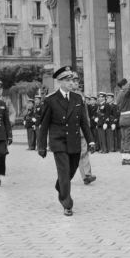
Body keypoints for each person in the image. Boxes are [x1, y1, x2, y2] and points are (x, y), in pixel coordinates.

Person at [37, 66, 95, 216]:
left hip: (74, 141)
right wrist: (41, 145)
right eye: (67, 80)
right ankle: (67, 203)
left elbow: (83, 122)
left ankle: (60, 186)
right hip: (59, 142)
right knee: (64, 172)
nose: (71, 83)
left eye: (72, 80)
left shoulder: (77, 98)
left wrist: (91, 141)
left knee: (72, 170)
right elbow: (43, 126)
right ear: (59, 82)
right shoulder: (50, 100)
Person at [70, 74, 97, 185]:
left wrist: (87, 126)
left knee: (84, 151)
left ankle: (87, 175)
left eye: (77, 81)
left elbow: (85, 113)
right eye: (74, 81)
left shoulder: (80, 95)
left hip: (81, 128)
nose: (76, 83)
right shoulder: (67, 96)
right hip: (71, 129)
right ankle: (66, 174)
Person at [115, 65, 130, 165]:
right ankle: (127, 159)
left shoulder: (119, 95)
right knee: (129, 138)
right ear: (124, 86)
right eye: (127, 84)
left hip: (122, 118)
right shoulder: (125, 92)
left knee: (124, 138)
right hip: (129, 118)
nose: (128, 85)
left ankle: (124, 158)